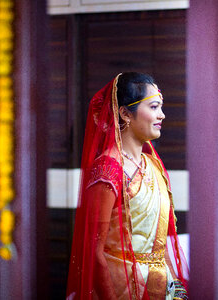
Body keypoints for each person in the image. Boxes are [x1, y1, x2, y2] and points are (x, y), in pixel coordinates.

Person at [66, 72, 189, 300]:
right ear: (124, 113)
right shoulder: (107, 170)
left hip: (159, 287)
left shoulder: (153, 165)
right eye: (153, 107)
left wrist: (176, 286)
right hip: (120, 288)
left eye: (160, 107)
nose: (161, 115)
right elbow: (94, 252)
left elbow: (160, 243)